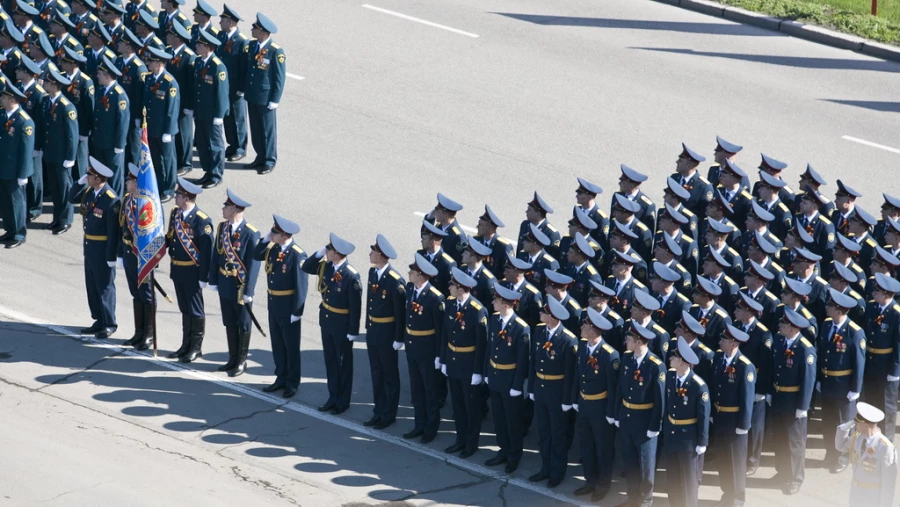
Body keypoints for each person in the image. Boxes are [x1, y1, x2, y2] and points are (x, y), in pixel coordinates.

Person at [300, 233, 362, 413]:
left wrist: (353, 330)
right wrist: (319, 253)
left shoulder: (351, 276)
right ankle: (332, 396)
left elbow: (355, 306)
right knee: (330, 361)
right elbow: (307, 267)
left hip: (342, 325)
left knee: (343, 365)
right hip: (327, 321)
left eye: (329, 250)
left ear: (337, 253)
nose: (326, 252)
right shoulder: (327, 267)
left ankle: (343, 401)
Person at [253, 214, 308, 399]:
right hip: (274, 304)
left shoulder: (297, 254)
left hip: (288, 306)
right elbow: (255, 254)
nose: (272, 234)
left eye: (275, 232)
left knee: (290, 346)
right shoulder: (273, 248)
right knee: (277, 344)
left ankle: (292, 382)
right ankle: (280, 377)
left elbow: (301, 286)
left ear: (284, 235)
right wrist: (266, 239)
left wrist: (297, 312)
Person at [208, 189, 260, 377]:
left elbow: (253, 265)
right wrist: (213, 279)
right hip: (225, 282)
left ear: (235, 210)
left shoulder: (251, 234)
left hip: (240, 286)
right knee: (229, 321)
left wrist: (249, 290)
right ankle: (232, 358)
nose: (223, 208)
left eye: (226, 206)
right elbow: (217, 254)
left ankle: (241, 361)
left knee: (243, 324)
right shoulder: (223, 228)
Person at [614, 322, 666, 507]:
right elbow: (620, 388)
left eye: (628, 339)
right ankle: (632, 496)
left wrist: (655, 426)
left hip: (645, 422)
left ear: (638, 341)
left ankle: (646, 500)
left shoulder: (655, 366)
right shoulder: (627, 358)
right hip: (627, 416)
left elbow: (660, 400)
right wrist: (617, 414)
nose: (625, 341)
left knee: (646, 466)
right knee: (630, 462)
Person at [528, 296, 577, 488]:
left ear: (553, 317)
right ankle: (545, 468)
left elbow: (569, 373)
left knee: (558, 434)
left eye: (543, 312)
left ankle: (557, 472)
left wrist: (566, 399)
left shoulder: (567, 340)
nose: (540, 314)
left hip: (557, 393)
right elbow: (534, 362)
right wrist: (532, 386)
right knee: (543, 432)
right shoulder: (539, 331)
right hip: (541, 389)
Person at [68, 157, 120, 338]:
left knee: (105, 285)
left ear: (98, 179)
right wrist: (79, 183)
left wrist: (112, 255)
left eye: (89, 176)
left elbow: (114, 232)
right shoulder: (90, 192)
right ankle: (98, 319)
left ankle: (109, 322)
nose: (87, 177)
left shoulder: (111, 200)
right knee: (92, 284)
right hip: (89, 245)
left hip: (103, 247)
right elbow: (71, 198)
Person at [440, 267, 489, 458]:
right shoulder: (451, 304)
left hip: (469, 365)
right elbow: (446, 334)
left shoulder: (477, 311)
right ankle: (460, 439)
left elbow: (481, 344)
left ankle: (471, 443)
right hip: (453, 362)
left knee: (471, 408)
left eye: (452, 285)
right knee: (458, 406)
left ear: (461, 288)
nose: (449, 287)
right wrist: (444, 359)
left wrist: (478, 372)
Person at [572, 307, 619, 502]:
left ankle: (603, 484)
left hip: (601, 407)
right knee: (586, 445)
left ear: (592, 330)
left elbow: (613, 387)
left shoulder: (610, 355)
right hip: (585, 404)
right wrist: (576, 400)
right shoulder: (583, 347)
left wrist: (610, 412)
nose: (581, 327)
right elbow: (578, 376)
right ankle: (590, 480)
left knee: (603, 448)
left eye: (585, 325)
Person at [483, 282, 531, 474]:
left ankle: (514, 454)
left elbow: (522, 359)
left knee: (512, 420)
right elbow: (490, 348)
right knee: (499, 418)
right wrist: (487, 373)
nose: (493, 302)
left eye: (496, 299)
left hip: (510, 380)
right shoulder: (495, 319)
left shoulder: (521, 328)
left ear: (504, 303)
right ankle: (503, 449)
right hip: (495, 376)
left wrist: (518, 385)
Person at [397, 253, 445, 442]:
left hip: (428, 350)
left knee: (430, 390)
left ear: (421, 275)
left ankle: (431, 428)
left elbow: (440, 331)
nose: (409, 273)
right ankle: (419, 424)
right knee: (416, 389)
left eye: (412, 271)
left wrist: (439, 356)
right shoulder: (410, 289)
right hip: (412, 347)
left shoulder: (435, 298)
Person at [818, 289, 866, 474]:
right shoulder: (827, 325)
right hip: (828, 382)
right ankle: (830, 453)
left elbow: (859, 362)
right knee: (828, 421)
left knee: (844, 424)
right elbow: (823, 353)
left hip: (844, 386)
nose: (827, 307)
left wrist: (855, 388)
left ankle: (843, 456)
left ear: (839, 310)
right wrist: (821, 379)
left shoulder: (854, 332)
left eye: (830, 305)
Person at [165, 177, 213, 361]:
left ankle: (196, 347)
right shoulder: (176, 214)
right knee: (184, 309)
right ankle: (185, 345)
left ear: (186, 198)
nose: (175, 197)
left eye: (177, 194)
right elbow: (170, 239)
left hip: (193, 272)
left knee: (195, 310)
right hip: (177, 270)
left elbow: (207, 253)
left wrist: (204, 277)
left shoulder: (202, 221)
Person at [770, 308, 816, 495]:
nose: (779, 326)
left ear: (791, 328)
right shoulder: (780, 340)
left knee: (794, 442)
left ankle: (795, 477)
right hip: (779, 397)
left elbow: (808, 379)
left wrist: (803, 406)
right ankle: (782, 472)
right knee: (780, 438)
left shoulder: (805, 349)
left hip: (794, 401)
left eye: (783, 324)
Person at [362, 234, 405, 429]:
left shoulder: (395, 281)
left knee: (389, 376)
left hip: (387, 333)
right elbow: (369, 303)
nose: (370, 254)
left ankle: (389, 414)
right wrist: (367, 326)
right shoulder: (373, 273)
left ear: (380, 255)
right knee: (376, 374)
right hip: (374, 331)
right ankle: (378, 410)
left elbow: (399, 312)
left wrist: (398, 338)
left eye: (373, 251)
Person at [710, 324, 756, 507]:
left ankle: (737, 498)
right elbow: (715, 387)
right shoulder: (719, 358)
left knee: (735, 462)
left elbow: (747, 397)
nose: (720, 342)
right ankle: (727, 493)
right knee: (723, 460)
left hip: (735, 421)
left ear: (733, 343)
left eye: (724, 340)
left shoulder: (745, 366)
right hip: (721, 418)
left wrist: (744, 424)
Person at [663, 336, 710, 507]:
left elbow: (703, 415)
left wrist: (702, 442)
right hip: (672, 436)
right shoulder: (670, 377)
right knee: (673, 478)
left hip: (688, 439)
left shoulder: (698, 385)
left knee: (689, 481)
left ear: (682, 363)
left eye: (673, 357)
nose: (670, 359)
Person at [734, 292, 773, 478]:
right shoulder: (736, 326)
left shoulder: (763, 333)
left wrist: (762, 390)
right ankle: (740, 456)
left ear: (749, 312)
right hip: (737, 381)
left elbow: (766, 365)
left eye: (739, 309)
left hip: (756, 384)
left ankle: (753, 459)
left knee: (755, 425)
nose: (735, 311)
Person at [242, 12, 284, 175]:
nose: (252, 30)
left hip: (266, 98)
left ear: (263, 32)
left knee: (267, 130)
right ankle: (260, 157)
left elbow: (278, 78)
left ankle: (269, 160)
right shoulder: (253, 46)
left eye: (255, 28)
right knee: (256, 129)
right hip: (253, 95)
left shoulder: (275, 52)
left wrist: (275, 99)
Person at [119, 164, 155, 350]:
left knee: (146, 295)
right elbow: (122, 227)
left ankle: (149, 334)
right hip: (128, 253)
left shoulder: (148, 203)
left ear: (136, 183)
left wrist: (150, 259)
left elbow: (156, 234)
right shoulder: (127, 200)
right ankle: (138, 332)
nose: (126, 183)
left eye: (129, 181)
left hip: (143, 257)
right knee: (136, 293)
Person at [834, 402, 898, 507]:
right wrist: (845, 427)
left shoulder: (885, 448)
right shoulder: (857, 438)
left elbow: (888, 483)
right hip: (855, 497)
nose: (855, 424)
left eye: (857, 422)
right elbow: (840, 446)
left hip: (872, 500)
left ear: (866, 425)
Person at [40, 66, 78, 235]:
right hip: (51, 154)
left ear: (54, 85)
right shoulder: (47, 101)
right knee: (55, 189)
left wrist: (70, 157)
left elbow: (72, 135)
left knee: (64, 189)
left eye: (47, 82)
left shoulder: (66, 107)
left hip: (62, 155)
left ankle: (66, 220)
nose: (44, 84)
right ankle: (56, 219)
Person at [862, 273, 900, 442]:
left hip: (886, 365)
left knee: (887, 405)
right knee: (871, 402)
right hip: (871, 363)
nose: (873, 293)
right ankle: (871, 438)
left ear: (886, 294)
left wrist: (895, 370)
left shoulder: (896, 314)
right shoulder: (872, 308)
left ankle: (885, 443)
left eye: (877, 291)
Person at [188, 27, 227, 189]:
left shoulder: (218, 66)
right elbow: (195, 87)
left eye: (199, 44)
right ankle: (207, 172)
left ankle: (216, 174)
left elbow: (222, 94)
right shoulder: (198, 61)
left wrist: (219, 115)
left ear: (207, 47)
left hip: (212, 113)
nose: (196, 45)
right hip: (201, 111)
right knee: (203, 144)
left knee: (215, 145)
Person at [0, 79, 35, 249]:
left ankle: (19, 233)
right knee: (5, 202)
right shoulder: (2, 115)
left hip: (15, 171)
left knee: (17, 203)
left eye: (4, 97)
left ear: (12, 100)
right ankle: (10, 229)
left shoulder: (24, 122)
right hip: (3, 168)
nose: (1, 99)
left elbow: (26, 151)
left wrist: (23, 174)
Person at [142, 46, 178, 201]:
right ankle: (158, 184)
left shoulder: (170, 83)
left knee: (168, 160)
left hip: (164, 129)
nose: (148, 63)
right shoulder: (149, 78)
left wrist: (168, 131)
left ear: (159, 64)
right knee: (155, 158)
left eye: (151, 61)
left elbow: (172, 109)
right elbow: (146, 102)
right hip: (151, 127)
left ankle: (169, 188)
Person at [91, 55, 128, 196]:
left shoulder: (119, 95)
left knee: (114, 176)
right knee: (101, 174)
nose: (97, 76)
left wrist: (119, 145)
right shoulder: (101, 90)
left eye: (100, 74)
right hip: (100, 141)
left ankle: (115, 202)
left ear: (107, 76)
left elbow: (122, 123)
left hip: (112, 144)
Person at [17, 56, 47, 225]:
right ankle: (26, 204)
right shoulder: (19, 88)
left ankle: (35, 207)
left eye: (19, 70)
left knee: (35, 175)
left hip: (33, 142)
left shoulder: (39, 94)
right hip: (20, 140)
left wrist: (38, 145)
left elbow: (41, 123)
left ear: (27, 73)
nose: (16, 72)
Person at [217, 4, 249, 162]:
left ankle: (240, 148)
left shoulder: (242, 42)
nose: (220, 22)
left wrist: (242, 89)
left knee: (238, 118)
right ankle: (231, 145)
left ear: (230, 22)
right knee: (228, 117)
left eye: (222, 19)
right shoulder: (221, 36)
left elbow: (245, 68)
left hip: (236, 87)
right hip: (224, 87)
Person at [58, 46, 94, 183]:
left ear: (73, 64)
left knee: (80, 162)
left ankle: (82, 190)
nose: (62, 64)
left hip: (79, 129)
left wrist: (85, 132)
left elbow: (88, 110)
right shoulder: (61, 78)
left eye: (65, 62)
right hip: (62, 128)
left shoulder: (85, 82)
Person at [163, 22, 195, 177]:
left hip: (183, 103)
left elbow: (191, 85)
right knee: (174, 132)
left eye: (170, 35)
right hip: (170, 101)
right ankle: (177, 159)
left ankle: (186, 162)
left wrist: (189, 105)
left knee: (184, 133)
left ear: (177, 38)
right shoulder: (167, 52)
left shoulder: (189, 57)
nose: (167, 37)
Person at [516, 191, 561, 258]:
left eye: (529, 210)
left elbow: (552, 258)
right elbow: (519, 250)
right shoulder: (525, 224)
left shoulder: (551, 234)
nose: (526, 212)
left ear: (538, 213)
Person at [472, 204, 513, 276]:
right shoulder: (475, 240)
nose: (477, 226)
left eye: (480, 225)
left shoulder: (503, 247)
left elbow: (507, 273)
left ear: (488, 228)